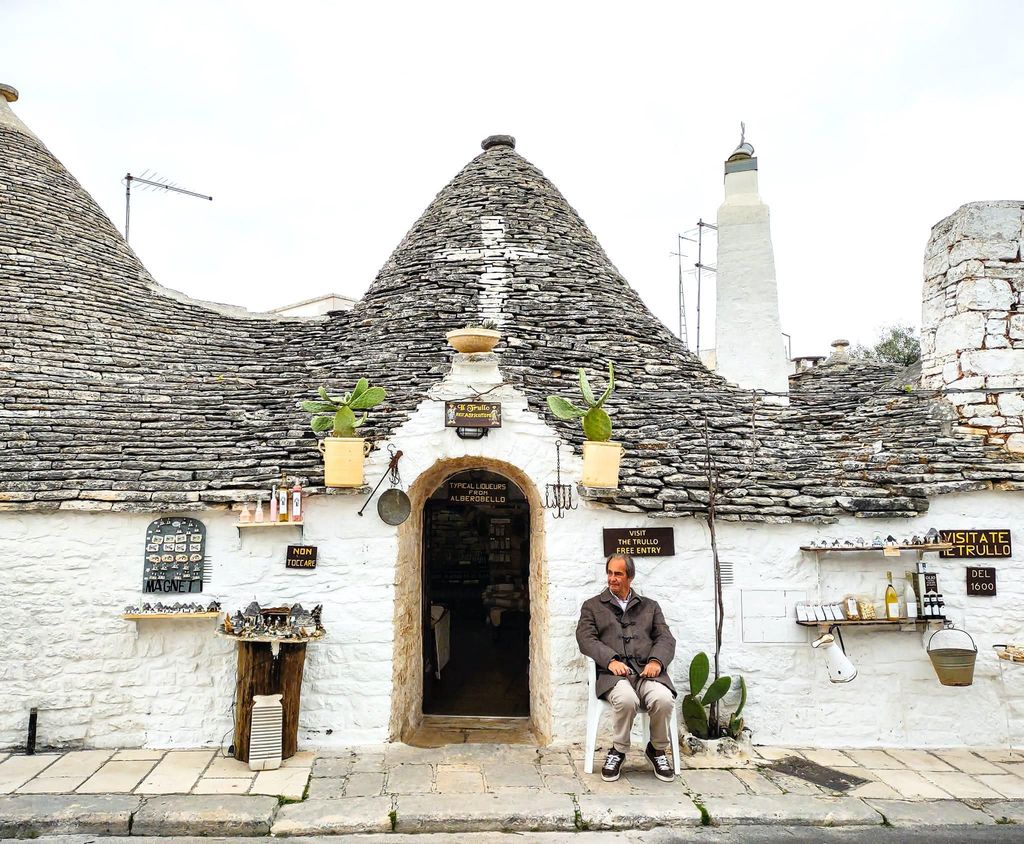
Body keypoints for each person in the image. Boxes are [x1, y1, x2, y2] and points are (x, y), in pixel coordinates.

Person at [576, 552, 676, 782]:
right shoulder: (592, 606)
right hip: (613, 677)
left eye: (618, 574)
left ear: (630, 577)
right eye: (610, 573)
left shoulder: (650, 607)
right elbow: (586, 639)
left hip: (646, 674)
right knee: (626, 700)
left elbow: (666, 638)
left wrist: (656, 662)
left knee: (663, 698)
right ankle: (618, 750)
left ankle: (657, 749)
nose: (612, 578)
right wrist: (610, 660)